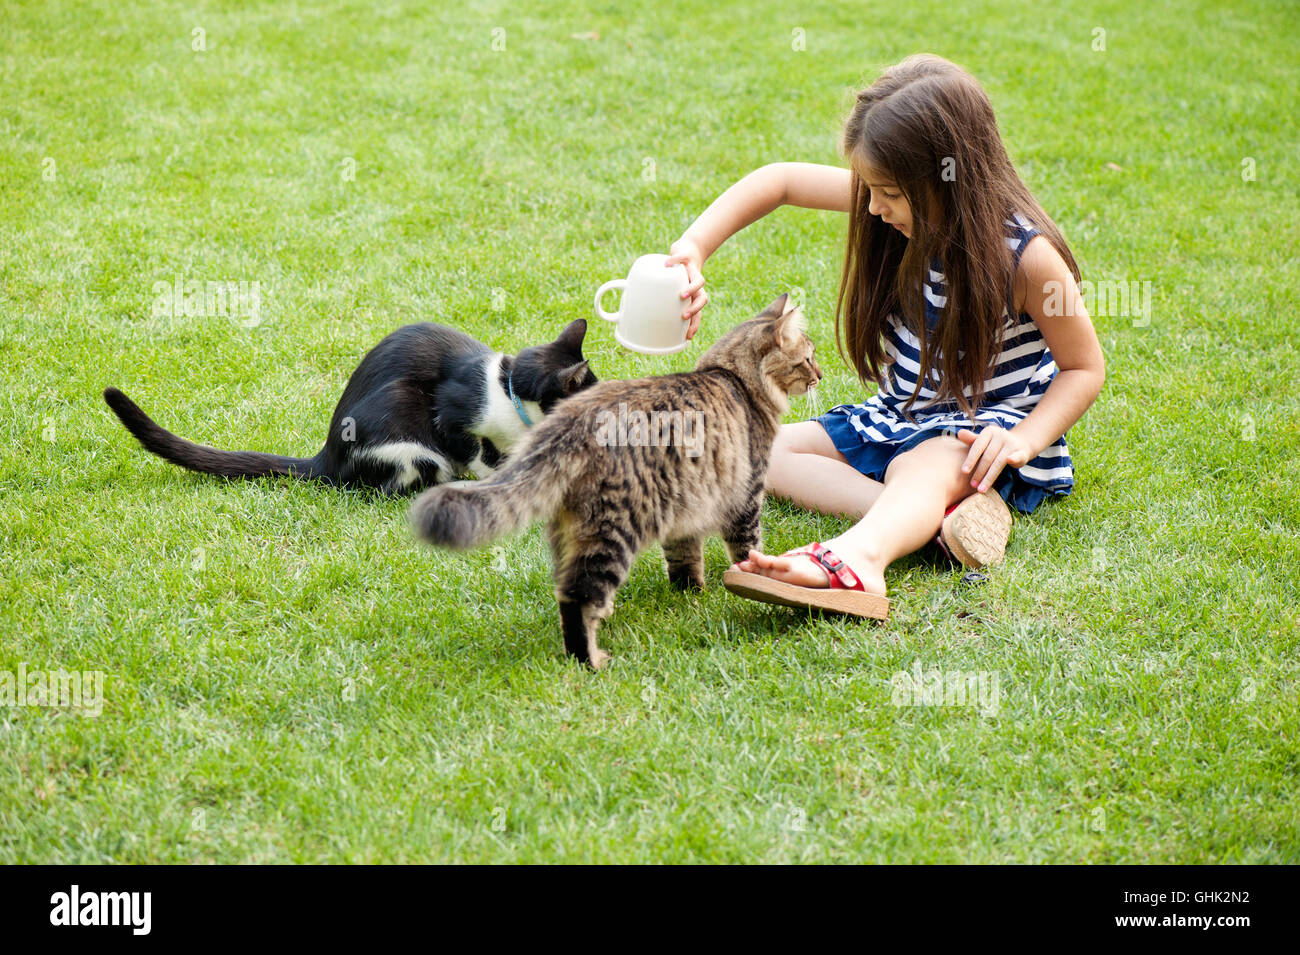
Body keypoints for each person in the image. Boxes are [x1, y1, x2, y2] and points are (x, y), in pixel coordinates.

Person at [665, 54, 1105, 619]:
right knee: (752, 450)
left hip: (983, 440)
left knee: (924, 462)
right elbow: (778, 181)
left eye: (888, 193)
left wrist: (1024, 439)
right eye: (869, 188)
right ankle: (934, 520)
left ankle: (859, 561)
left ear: (950, 178)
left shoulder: (1028, 259)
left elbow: (1083, 368)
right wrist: (693, 250)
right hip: (899, 417)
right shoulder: (892, 199)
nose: (872, 208)